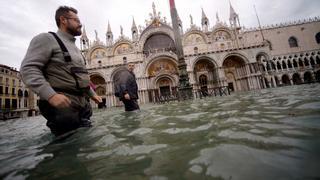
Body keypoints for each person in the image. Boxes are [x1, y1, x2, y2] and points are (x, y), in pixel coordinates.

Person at [20, 6, 102, 136]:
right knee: (67, 148)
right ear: (63, 20)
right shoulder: (47, 39)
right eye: (76, 20)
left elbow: (79, 76)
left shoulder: (75, 48)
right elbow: (28, 69)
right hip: (62, 106)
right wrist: (50, 95)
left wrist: (92, 94)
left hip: (82, 105)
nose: (80, 24)